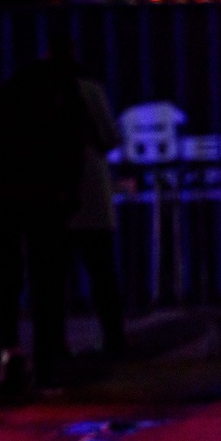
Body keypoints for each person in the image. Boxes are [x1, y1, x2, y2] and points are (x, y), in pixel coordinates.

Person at [0, 41, 91, 391]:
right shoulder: (65, 95)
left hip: (3, 198)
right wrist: (68, 194)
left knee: (7, 281)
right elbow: (78, 147)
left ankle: (10, 354)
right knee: (47, 282)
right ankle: (45, 364)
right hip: (45, 200)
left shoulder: (9, 90)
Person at [68, 58, 126, 358]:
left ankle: (54, 347)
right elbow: (112, 137)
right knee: (103, 276)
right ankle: (114, 340)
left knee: (52, 281)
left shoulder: (39, 92)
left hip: (56, 200)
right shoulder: (90, 91)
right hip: (93, 198)